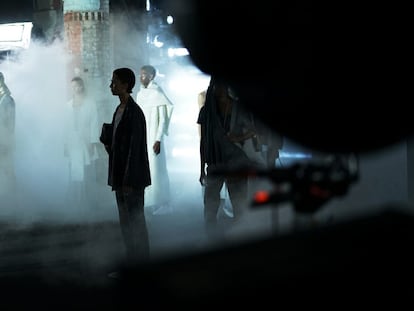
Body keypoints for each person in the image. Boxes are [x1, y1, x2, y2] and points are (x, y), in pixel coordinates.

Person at [102, 67, 151, 263]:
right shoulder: (120, 109)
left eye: (114, 82)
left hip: (131, 179)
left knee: (135, 222)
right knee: (126, 223)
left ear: (125, 85)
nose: (111, 85)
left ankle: (142, 263)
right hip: (121, 175)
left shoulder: (134, 113)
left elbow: (135, 149)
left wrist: (129, 179)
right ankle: (134, 262)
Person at [199, 76, 259, 239]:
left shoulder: (238, 108)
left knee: (239, 204)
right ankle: (211, 238)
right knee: (210, 207)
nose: (219, 89)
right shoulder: (207, 111)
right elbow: (203, 140)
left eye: (222, 85)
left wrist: (236, 139)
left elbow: (253, 130)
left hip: (236, 162)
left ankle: (241, 237)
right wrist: (201, 169)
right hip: (214, 163)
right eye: (216, 85)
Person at [136, 65, 174, 215]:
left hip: (154, 138)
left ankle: (162, 202)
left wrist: (158, 139)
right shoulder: (140, 94)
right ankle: (150, 202)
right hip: (143, 136)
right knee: (146, 170)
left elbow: (163, 119)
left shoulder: (157, 93)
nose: (141, 77)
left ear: (151, 76)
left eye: (144, 74)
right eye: (140, 74)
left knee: (157, 171)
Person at [63, 76, 100, 212]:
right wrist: (65, 144)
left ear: (82, 87)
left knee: (88, 173)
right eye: (73, 87)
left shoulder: (90, 104)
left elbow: (94, 124)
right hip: (73, 142)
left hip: (86, 142)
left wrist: (93, 142)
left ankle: (90, 203)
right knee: (74, 173)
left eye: (78, 86)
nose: (75, 88)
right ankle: (75, 202)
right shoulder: (67, 106)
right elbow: (65, 126)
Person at [0, 72, 16, 200]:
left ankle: (14, 197)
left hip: (4, 140)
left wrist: (7, 142)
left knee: (7, 169)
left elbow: (10, 124)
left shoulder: (7, 100)